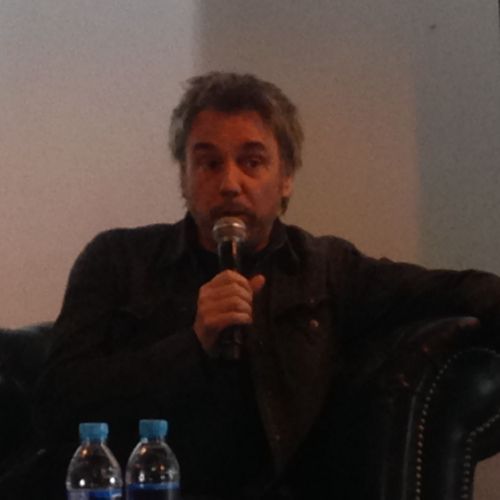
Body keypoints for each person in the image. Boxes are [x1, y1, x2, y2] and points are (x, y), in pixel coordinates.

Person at [5, 72, 500, 499]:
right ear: (184, 177)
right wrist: (192, 345)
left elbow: (453, 289)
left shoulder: (324, 269)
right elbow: (56, 404)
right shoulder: (117, 260)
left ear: (286, 179)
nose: (229, 183)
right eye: (209, 162)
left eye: (252, 161)